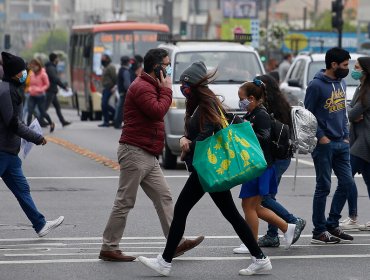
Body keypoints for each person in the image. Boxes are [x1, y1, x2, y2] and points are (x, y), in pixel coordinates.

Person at [137, 62, 272, 277]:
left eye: (186, 84)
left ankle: (164, 261)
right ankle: (260, 258)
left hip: (206, 169)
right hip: (208, 169)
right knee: (231, 215)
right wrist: (186, 139)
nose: (183, 88)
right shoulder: (203, 103)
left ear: (195, 85)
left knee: (182, 210)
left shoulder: (206, 105)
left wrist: (186, 143)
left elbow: (205, 138)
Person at [99, 49, 204, 262]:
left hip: (148, 152)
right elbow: (157, 111)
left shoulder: (150, 85)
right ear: (157, 67)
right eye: (167, 64)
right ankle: (109, 246)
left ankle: (176, 241)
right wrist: (166, 90)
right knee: (125, 201)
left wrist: (163, 88)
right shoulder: (141, 87)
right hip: (134, 151)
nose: (169, 69)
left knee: (163, 196)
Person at [235, 74, 305, 251]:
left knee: (249, 206)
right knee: (255, 207)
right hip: (258, 166)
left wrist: (244, 131)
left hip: (259, 166)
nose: (240, 102)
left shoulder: (261, 115)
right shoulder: (253, 114)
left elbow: (263, 139)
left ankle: (251, 243)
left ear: (252, 98)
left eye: (241, 99)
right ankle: (286, 227)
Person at [0, 51, 64, 237]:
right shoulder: (5, 92)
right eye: (22, 71)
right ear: (14, 73)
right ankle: (39, 223)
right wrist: (36, 137)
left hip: (9, 152)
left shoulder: (11, 88)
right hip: (2, 150)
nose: (25, 74)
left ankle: (40, 224)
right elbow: (13, 123)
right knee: (22, 190)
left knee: (22, 190)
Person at [304, 47, 354, 244]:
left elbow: (343, 112)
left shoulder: (341, 83)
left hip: (341, 142)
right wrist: (320, 136)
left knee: (348, 183)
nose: (347, 69)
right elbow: (307, 114)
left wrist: (346, 135)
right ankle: (319, 230)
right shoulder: (316, 85)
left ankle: (332, 223)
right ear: (333, 65)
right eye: (344, 65)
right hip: (324, 144)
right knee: (323, 186)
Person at [340, 57, 370, 231]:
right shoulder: (361, 87)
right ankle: (352, 216)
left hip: (363, 142)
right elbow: (350, 110)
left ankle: (350, 217)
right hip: (359, 140)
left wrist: (351, 111)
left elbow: (351, 113)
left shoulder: (367, 91)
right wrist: (350, 110)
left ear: (365, 70)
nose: (353, 70)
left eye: (357, 67)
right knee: (365, 180)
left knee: (346, 177)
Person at [27, 58, 55, 132]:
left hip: (40, 96)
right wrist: (29, 89)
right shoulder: (32, 74)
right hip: (32, 95)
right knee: (29, 112)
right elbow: (30, 84)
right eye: (31, 67)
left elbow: (47, 84)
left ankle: (51, 123)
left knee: (42, 112)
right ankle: (27, 129)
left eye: (34, 66)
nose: (33, 68)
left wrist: (41, 89)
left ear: (38, 66)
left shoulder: (43, 74)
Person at [45, 53, 71, 127]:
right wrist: (63, 87)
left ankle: (63, 121)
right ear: (55, 59)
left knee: (57, 107)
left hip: (52, 90)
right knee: (44, 109)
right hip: (50, 91)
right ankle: (39, 120)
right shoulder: (51, 68)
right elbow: (55, 79)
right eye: (57, 58)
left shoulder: (51, 67)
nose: (58, 60)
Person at [98, 53, 117, 127]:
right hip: (105, 88)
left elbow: (115, 78)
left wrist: (115, 87)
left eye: (103, 58)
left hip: (110, 88)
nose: (102, 60)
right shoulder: (105, 67)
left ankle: (108, 120)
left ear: (107, 59)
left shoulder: (110, 67)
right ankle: (109, 119)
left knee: (104, 104)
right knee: (104, 105)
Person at [113, 56, 131, 129]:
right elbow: (127, 84)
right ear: (127, 62)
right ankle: (117, 123)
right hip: (124, 93)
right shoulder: (125, 71)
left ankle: (116, 123)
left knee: (119, 107)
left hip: (121, 92)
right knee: (121, 109)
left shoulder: (120, 70)